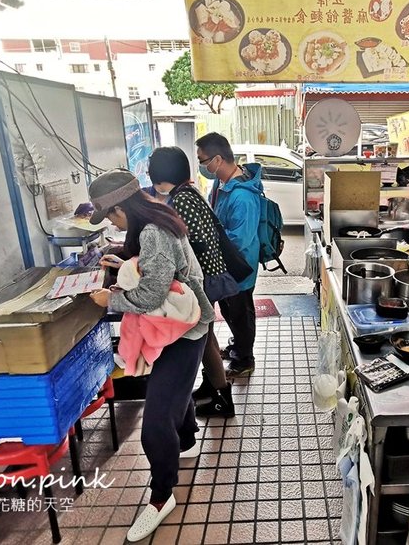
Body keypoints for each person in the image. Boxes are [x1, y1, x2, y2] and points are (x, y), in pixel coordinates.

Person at [86, 170, 214, 542]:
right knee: (176, 391)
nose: (112, 221)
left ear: (124, 207)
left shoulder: (153, 232)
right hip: (180, 324)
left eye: (111, 215)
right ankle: (187, 442)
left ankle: (161, 498)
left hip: (182, 327)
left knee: (156, 419)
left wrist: (108, 299)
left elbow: (150, 296)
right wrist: (119, 258)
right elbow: (153, 266)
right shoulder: (156, 216)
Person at [146, 146, 240, 417]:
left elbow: (191, 244)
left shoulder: (182, 199)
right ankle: (212, 387)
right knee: (205, 336)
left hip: (202, 279)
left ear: (160, 175)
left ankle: (222, 399)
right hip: (206, 276)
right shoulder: (186, 193)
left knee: (205, 337)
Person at [195, 132, 262, 378]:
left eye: (203, 161)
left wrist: (213, 249)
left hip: (238, 266)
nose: (202, 166)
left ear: (218, 160)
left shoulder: (243, 196)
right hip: (224, 265)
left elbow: (240, 240)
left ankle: (245, 359)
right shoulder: (221, 184)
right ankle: (237, 348)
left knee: (240, 313)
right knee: (231, 311)